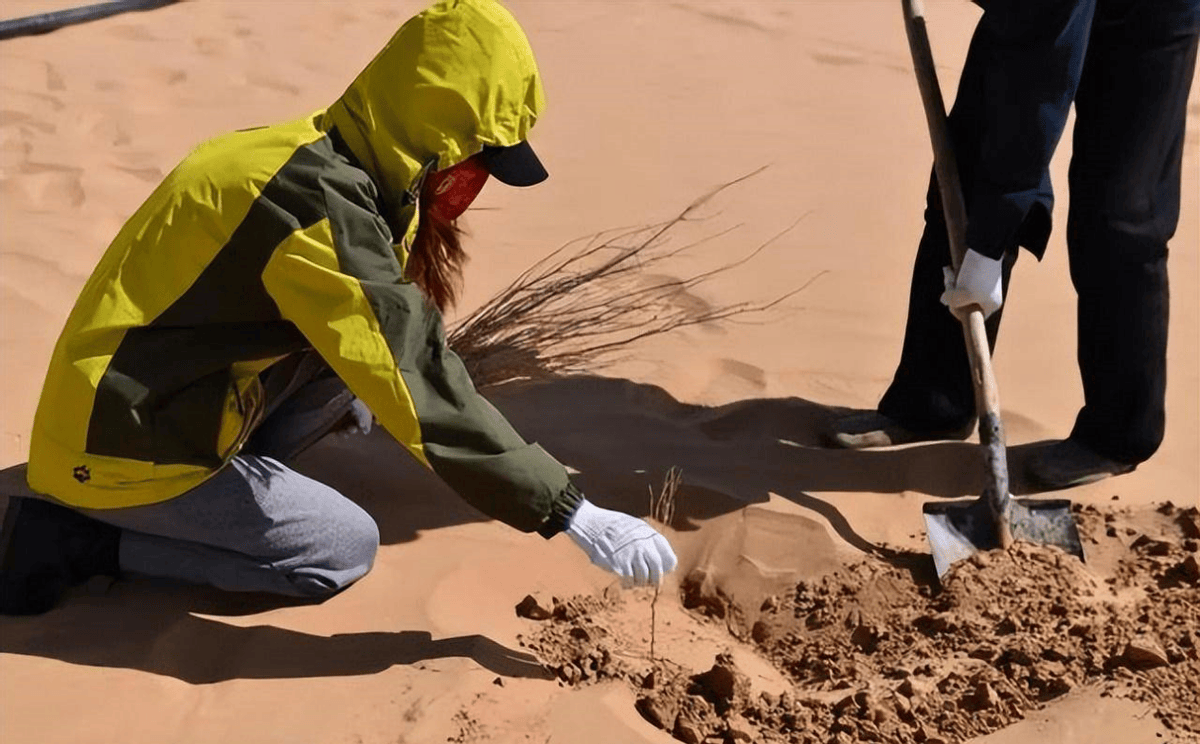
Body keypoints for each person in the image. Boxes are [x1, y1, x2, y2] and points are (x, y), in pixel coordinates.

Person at [0, 0, 677, 616]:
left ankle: (221, 486)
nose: (474, 180)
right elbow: (413, 371)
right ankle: (82, 540)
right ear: (434, 130)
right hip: (120, 443)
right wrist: (569, 510)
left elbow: (390, 339)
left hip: (162, 390)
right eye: (478, 158)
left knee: (348, 376)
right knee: (339, 550)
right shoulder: (315, 211)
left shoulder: (325, 157)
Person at [828, 0, 1199, 489]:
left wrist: (987, 246)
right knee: (964, 178)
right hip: (1033, 15)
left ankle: (1117, 434)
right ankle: (935, 401)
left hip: (1149, 15)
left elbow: (1037, 86)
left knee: (1120, 212)